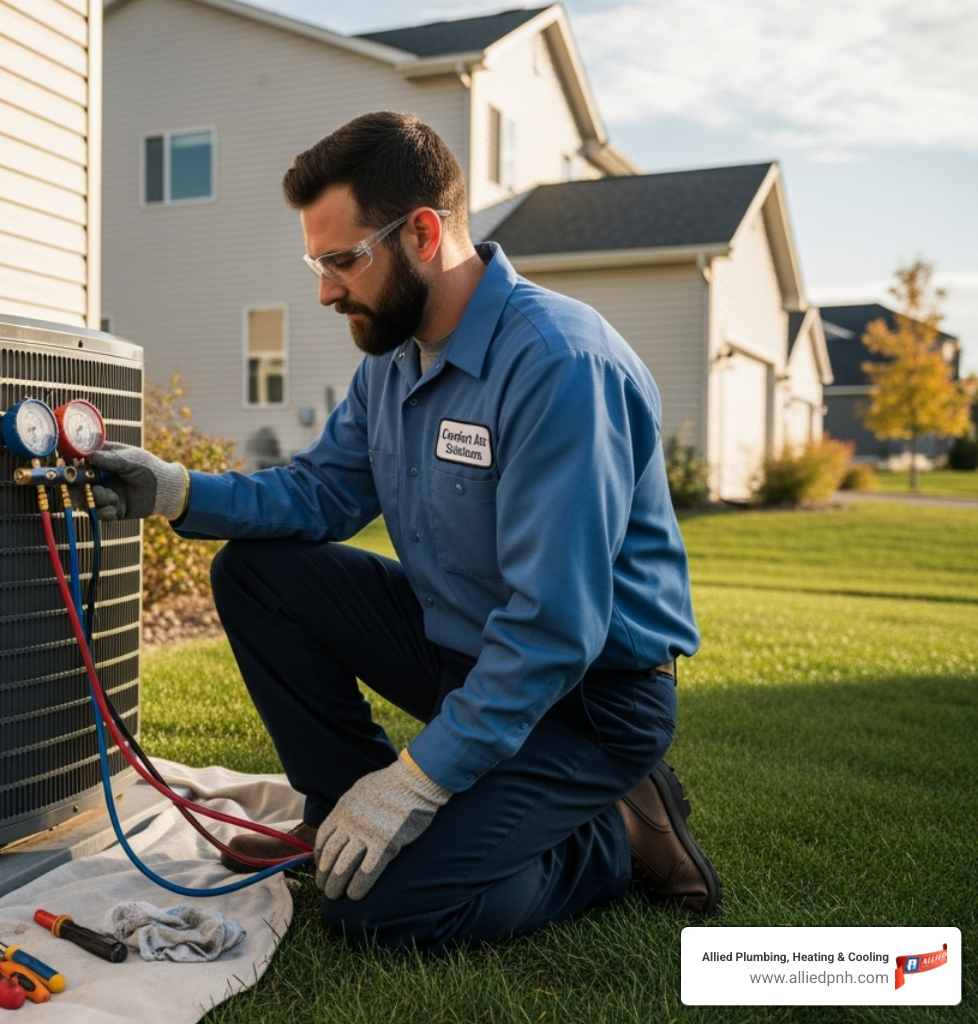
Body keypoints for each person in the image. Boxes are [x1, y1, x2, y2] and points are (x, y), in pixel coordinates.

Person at [89, 111, 718, 952]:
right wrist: (177, 491)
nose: (326, 292)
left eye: (343, 261)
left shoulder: (561, 365)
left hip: (589, 699)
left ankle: (610, 837)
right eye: (317, 264)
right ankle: (340, 814)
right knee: (258, 575)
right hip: (464, 656)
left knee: (380, 915)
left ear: (422, 233)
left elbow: (553, 630)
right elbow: (319, 493)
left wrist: (414, 781)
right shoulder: (391, 361)